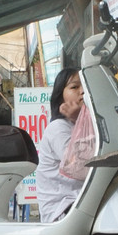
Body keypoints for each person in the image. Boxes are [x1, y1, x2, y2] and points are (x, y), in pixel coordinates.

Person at [34, 68, 85, 223]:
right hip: (62, 208)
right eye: (74, 87)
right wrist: (79, 118)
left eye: (86, 86)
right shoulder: (58, 128)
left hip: (81, 201)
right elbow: (79, 167)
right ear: (60, 97)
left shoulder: (88, 124)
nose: (82, 91)